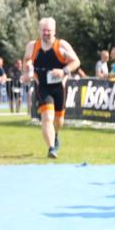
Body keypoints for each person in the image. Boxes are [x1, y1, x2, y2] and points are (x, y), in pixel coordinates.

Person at [22, 17, 80, 159]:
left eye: (49, 31)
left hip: (59, 86)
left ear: (54, 31)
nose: (46, 33)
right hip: (41, 85)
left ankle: (56, 134)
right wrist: (27, 73)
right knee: (47, 117)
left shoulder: (62, 45)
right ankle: (51, 148)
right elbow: (26, 60)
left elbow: (76, 62)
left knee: (59, 120)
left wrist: (64, 71)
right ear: (40, 31)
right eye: (44, 30)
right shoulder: (32, 46)